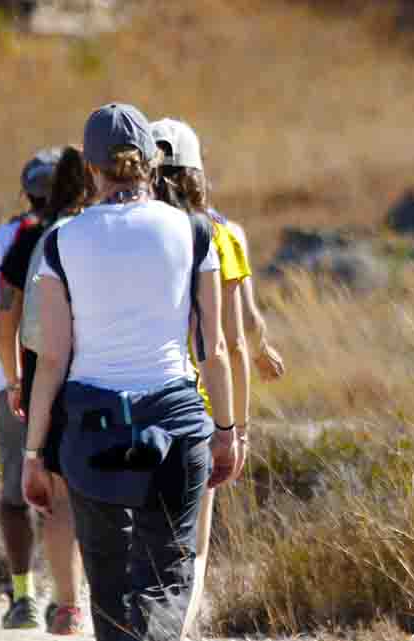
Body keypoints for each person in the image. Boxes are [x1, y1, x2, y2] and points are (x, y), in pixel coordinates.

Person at [21, 103, 243, 641]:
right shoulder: (194, 233)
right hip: (177, 418)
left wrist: (33, 453)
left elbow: (52, 357)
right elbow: (211, 347)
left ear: (91, 167)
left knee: (112, 583)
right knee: (167, 575)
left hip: (93, 428)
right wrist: (228, 430)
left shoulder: (61, 241)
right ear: (150, 162)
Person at [148, 117, 286, 634]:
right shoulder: (222, 233)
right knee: (194, 544)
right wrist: (240, 426)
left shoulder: (129, 228)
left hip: (132, 396)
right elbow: (232, 336)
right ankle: (176, 632)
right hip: (200, 403)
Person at [0, 146, 81, 631]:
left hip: (18, 383)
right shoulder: (83, 231)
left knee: (19, 493)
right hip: (76, 379)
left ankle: (23, 595)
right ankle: (67, 598)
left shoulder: (12, 236)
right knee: (68, 495)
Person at [0, 145, 93, 635]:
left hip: (42, 376)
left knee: (57, 496)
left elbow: (4, 316)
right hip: (102, 372)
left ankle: (69, 604)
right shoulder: (105, 233)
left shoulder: (30, 237)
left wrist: (13, 378)